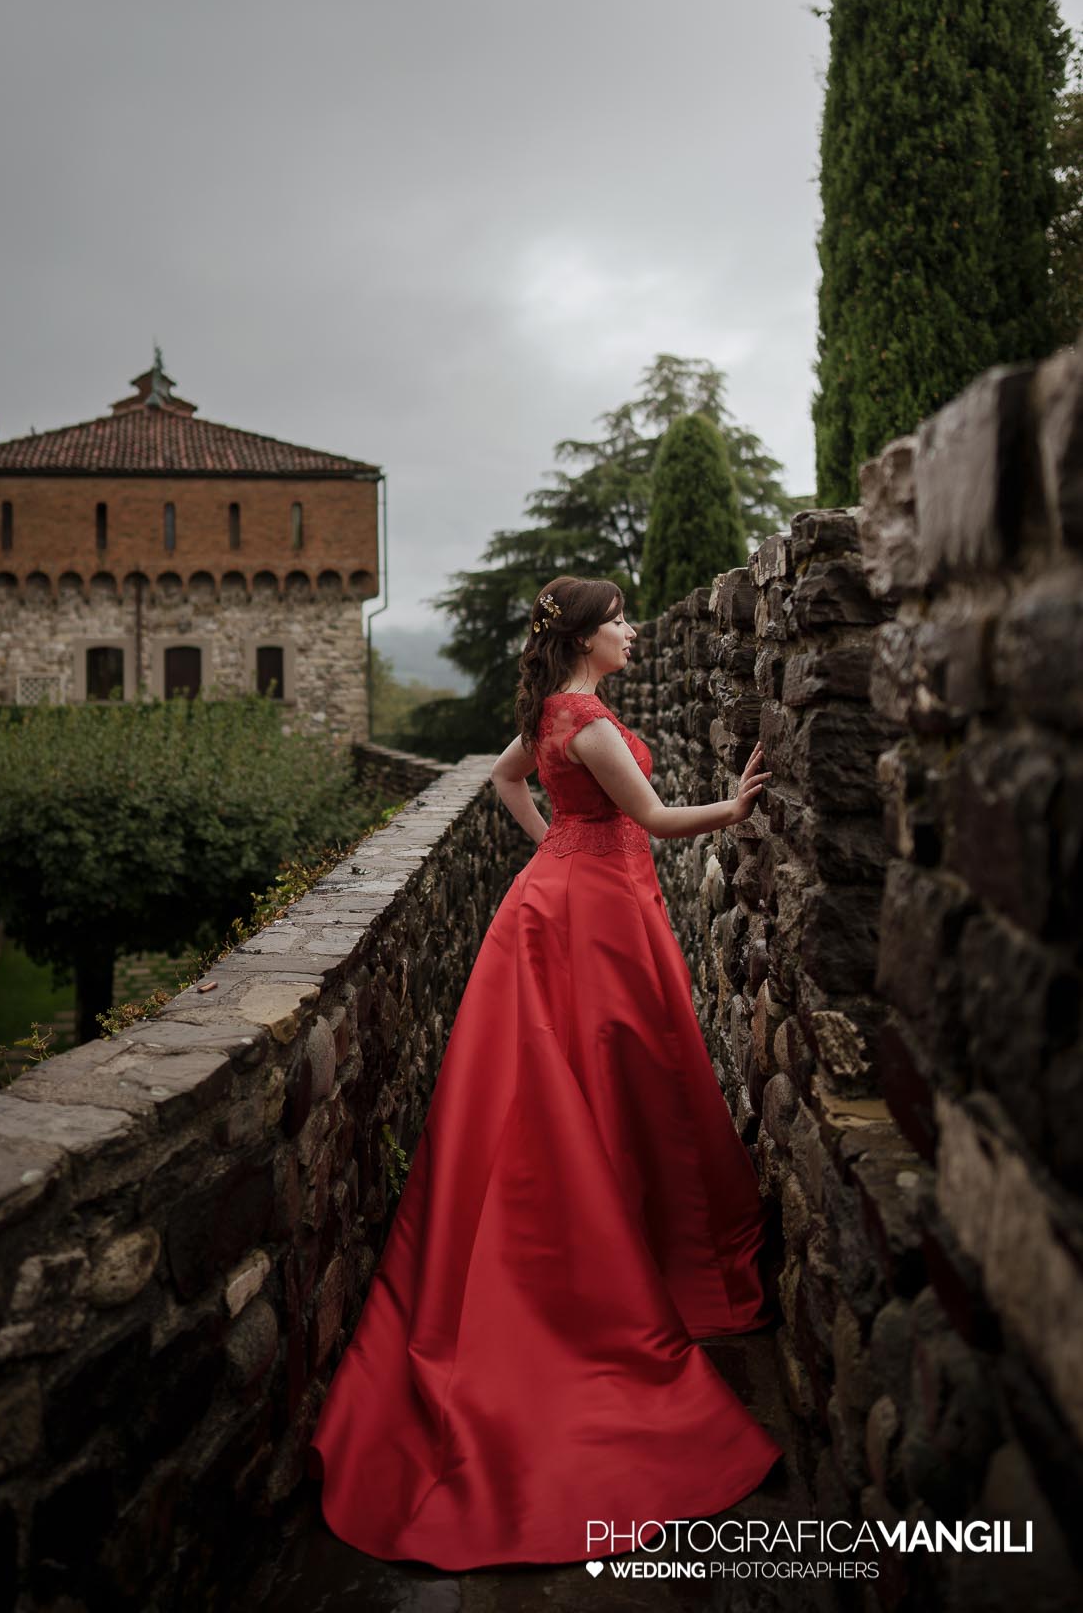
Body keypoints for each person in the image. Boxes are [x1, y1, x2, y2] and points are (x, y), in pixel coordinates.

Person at [305, 574, 782, 1569]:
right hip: (594, 915)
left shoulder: (552, 714)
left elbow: (505, 781)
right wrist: (736, 806)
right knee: (608, 1075)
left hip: (562, 901)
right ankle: (602, 1259)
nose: (633, 630)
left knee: (587, 1077)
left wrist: (555, 850)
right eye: (619, 620)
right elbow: (654, 821)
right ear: (584, 637)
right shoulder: (590, 725)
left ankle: (616, 1229)